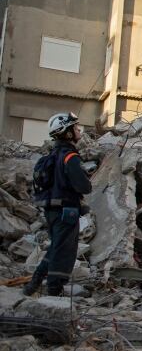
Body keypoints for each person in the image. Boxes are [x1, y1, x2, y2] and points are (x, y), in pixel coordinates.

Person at [23, 112, 92, 296]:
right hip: (66, 211)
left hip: (52, 211)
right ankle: (54, 290)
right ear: (67, 133)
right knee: (65, 252)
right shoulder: (70, 156)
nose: (79, 130)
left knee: (56, 247)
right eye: (75, 128)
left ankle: (34, 283)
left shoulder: (53, 155)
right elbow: (84, 186)